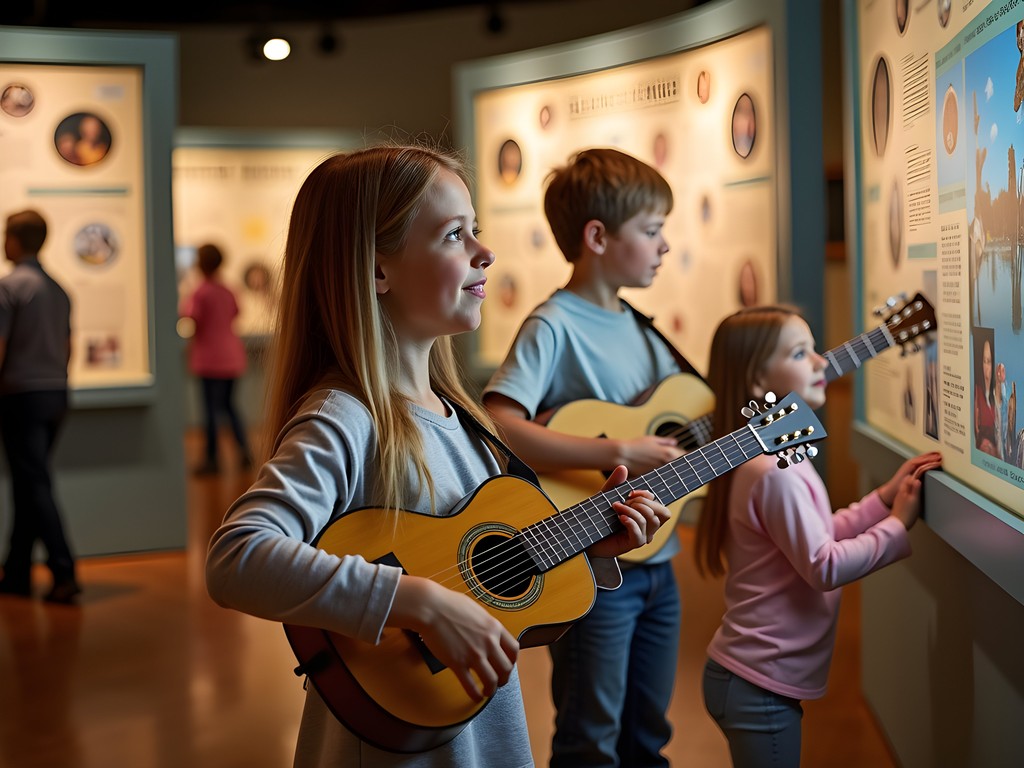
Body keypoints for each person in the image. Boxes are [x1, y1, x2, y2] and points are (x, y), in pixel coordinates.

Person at [204, 144, 670, 766]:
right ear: (376, 270)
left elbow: (478, 581)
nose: (486, 251)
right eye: (455, 235)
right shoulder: (345, 417)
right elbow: (238, 556)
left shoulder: (463, 417)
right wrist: (416, 602)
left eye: (476, 229)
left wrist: (586, 545)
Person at [483, 147, 687, 767]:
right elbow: (501, 421)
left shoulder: (641, 325)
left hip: (661, 558)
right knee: (590, 735)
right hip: (594, 561)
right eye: (651, 231)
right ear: (597, 236)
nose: (664, 246)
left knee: (649, 730)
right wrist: (618, 449)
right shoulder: (552, 324)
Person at [693, 305, 942, 768]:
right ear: (755, 381)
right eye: (801, 353)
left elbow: (820, 534)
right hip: (757, 684)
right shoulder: (772, 472)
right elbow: (824, 565)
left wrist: (884, 499)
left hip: (755, 680)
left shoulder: (777, 455)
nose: (822, 363)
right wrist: (897, 525)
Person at [0, 209, 78, 603]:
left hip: (20, 394)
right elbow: (68, 347)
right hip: (55, 394)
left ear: (15, 240)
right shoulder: (59, 289)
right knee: (29, 483)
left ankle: (64, 571)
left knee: (34, 483)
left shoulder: (10, 286)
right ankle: (15, 572)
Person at [180, 243, 252, 474]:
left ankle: (212, 459)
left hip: (210, 359)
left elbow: (190, 317)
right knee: (230, 406)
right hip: (232, 357)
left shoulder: (201, 292)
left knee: (210, 410)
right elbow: (236, 313)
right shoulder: (227, 290)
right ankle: (244, 452)